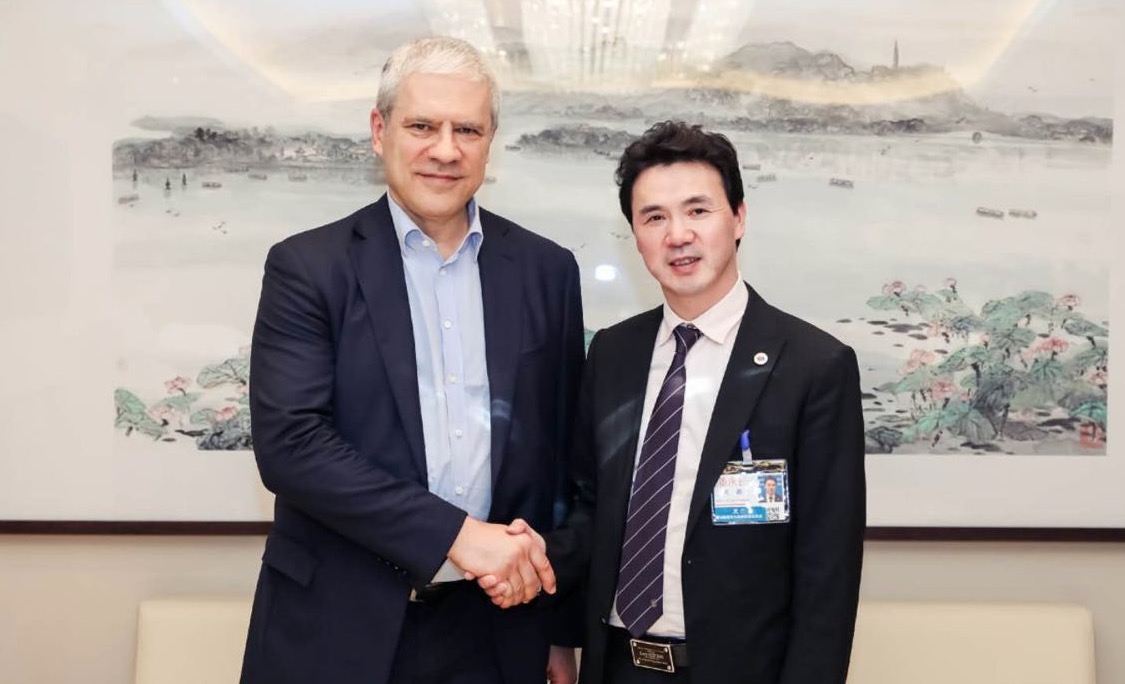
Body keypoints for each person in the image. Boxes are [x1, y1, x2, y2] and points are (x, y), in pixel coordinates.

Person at [239, 36, 584, 684]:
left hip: (499, 631)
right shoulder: (307, 268)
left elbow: (563, 464)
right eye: (423, 126)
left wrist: (559, 629)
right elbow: (292, 446)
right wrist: (458, 535)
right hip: (338, 629)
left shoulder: (547, 271)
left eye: (467, 130)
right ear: (380, 131)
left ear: (489, 141)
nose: (446, 150)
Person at [547, 121, 866, 683]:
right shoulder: (614, 354)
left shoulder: (814, 367)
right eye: (654, 217)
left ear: (738, 218)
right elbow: (591, 507)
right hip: (617, 666)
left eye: (698, 210)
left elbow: (828, 569)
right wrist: (535, 569)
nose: (678, 235)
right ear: (635, 235)